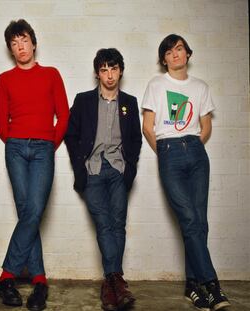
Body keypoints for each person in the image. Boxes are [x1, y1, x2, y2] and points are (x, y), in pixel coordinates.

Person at [142, 34, 230, 311]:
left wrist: (190, 145)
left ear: (187, 54)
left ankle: (192, 286)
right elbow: (148, 126)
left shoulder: (200, 87)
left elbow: (206, 126)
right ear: (164, 59)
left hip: (196, 152)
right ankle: (212, 285)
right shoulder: (156, 84)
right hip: (168, 151)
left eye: (179, 49)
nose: (175, 54)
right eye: (169, 51)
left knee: (199, 222)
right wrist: (168, 151)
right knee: (189, 218)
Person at [0, 19, 69, 311]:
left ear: (33, 43)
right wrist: (14, 140)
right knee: (30, 213)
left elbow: (63, 115)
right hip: (15, 148)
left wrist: (49, 144)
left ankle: (6, 275)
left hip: (42, 149)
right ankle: (39, 280)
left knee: (33, 210)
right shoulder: (4, 79)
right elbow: (1, 123)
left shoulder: (51, 74)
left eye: (23, 40)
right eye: (13, 43)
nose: (19, 47)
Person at [64, 48, 142, 311]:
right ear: (97, 73)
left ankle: (111, 285)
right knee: (104, 223)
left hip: (118, 169)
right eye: (104, 69)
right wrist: (80, 167)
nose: (109, 75)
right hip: (93, 170)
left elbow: (135, 139)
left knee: (118, 224)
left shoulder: (129, 102)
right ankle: (117, 281)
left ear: (121, 70)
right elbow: (71, 135)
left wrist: (129, 166)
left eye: (114, 68)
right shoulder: (84, 100)